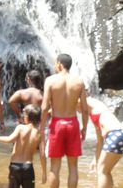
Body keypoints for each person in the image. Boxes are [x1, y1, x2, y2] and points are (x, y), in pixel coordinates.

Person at [40, 53, 88, 188]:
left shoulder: (50, 80)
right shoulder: (79, 81)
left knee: (55, 167)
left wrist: (41, 128)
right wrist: (84, 128)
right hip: (72, 123)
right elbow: (84, 109)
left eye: (55, 63)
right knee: (73, 167)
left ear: (60, 64)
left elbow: (44, 107)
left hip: (57, 124)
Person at [0, 103, 47, 188]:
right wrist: (44, 173)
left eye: (24, 115)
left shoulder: (20, 128)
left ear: (27, 117)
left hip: (15, 166)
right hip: (28, 167)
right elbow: (42, 154)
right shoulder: (40, 133)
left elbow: (10, 139)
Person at [84, 95, 123, 188]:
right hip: (121, 136)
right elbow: (100, 142)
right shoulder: (95, 116)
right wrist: (95, 160)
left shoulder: (90, 102)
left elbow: (76, 99)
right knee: (105, 171)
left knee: (102, 171)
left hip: (115, 135)